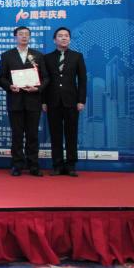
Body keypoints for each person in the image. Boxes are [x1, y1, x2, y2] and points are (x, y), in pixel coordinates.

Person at [0, 26, 49, 177]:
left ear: (30, 37)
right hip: (15, 101)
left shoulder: (38, 55)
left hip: (33, 101)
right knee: (17, 135)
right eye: (21, 34)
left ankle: (33, 165)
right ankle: (17, 165)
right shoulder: (7, 55)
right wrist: (10, 86)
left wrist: (37, 88)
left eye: (27, 34)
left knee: (33, 135)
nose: (24, 36)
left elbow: (46, 78)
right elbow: (2, 78)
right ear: (15, 37)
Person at [42, 27, 87, 177]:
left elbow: (82, 80)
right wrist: (43, 101)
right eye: (60, 36)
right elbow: (44, 81)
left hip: (71, 101)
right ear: (54, 40)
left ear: (70, 39)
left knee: (71, 134)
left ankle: (71, 165)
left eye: (66, 36)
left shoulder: (77, 56)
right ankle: (57, 165)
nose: (64, 38)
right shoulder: (47, 58)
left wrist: (81, 100)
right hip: (52, 101)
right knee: (55, 135)